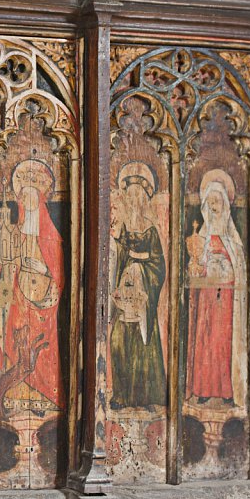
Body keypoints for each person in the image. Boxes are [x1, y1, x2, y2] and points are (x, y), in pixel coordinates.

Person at [0, 159, 64, 414]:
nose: (28, 203)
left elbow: (57, 273)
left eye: (33, 198)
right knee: (18, 345)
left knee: (41, 348)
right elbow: (3, 266)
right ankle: (15, 396)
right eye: (24, 198)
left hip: (42, 301)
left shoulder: (51, 235)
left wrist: (41, 267)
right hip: (17, 299)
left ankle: (44, 396)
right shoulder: (14, 232)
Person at [185, 168, 248, 405]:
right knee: (205, 339)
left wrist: (226, 266)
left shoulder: (233, 239)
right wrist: (198, 266)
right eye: (210, 200)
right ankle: (202, 389)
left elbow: (239, 264)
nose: (214, 205)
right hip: (207, 297)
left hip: (227, 298)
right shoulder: (202, 234)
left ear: (224, 204)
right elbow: (197, 263)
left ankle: (226, 392)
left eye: (217, 200)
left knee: (222, 342)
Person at [109, 162, 166, 410]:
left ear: (144, 199)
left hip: (143, 297)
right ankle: (122, 396)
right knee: (118, 342)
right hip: (125, 296)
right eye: (129, 196)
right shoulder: (122, 229)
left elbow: (159, 266)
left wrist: (140, 262)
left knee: (145, 344)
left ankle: (146, 398)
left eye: (137, 196)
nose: (133, 201)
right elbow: (117, 259)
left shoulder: (151, 230)